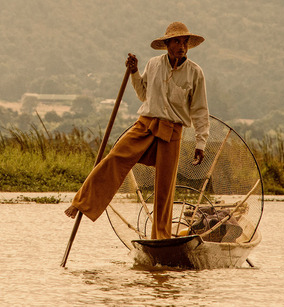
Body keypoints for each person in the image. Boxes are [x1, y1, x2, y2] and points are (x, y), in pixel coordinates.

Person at [65, 21, 210, 239]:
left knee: (164, 188)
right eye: (176, 41)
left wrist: (201, 143)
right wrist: (133, 71)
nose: (181, 46)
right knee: (115, 157)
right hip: (146, 125)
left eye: (184, 42)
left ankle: (160, 237)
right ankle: (82, 202)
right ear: (167, 45)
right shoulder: (154, 64)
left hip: (172, 133)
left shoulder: (195, 73)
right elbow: (144, 94)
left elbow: (199, 110)